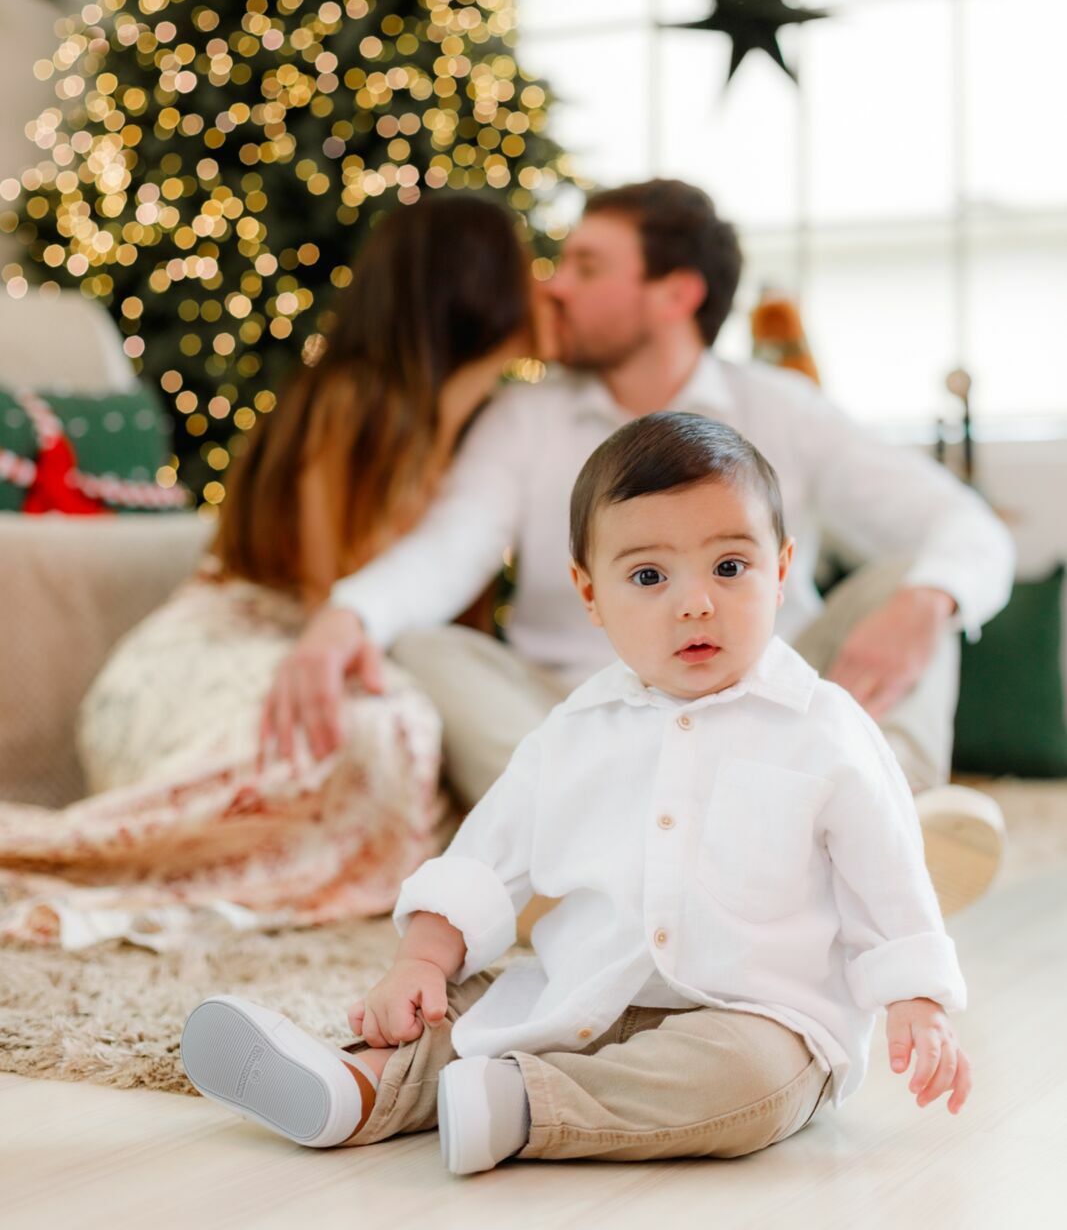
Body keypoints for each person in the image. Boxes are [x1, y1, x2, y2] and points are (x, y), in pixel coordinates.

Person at [181, 414, 971, 1174]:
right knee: (466, 1009)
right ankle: (353, 1086)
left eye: (729, 568)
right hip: (583, 995)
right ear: (589, 595)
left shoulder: (823, 727)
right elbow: (487, 856)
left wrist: (917, 1000)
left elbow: (887, 877)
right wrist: (420, 959)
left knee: (750, 1082)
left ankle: (526, 1104)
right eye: (648, 577)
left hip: (758, 1017)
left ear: (782, 569)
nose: (695, 602)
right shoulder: (575, 729)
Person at [260, 179, 1015, 912]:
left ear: (674, 294)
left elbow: (966, 527)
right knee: (427, 648)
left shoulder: (783, 409)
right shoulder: (523, 417)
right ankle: (602, 864)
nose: (553, 287)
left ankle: (889, 831)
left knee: (920, 585)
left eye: (586, 267)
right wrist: (348, 616)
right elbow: (449, 546)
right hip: (584, 723)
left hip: (767, 712)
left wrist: (926, 601)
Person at [0, 193, 539, 948]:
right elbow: (330, 596)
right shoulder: (350, 402)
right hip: (220, 654)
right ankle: (62, 854)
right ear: (481, 287)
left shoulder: (489, 431)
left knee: (409, 742)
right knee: (386, 728)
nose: (546, 288)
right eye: (528, 270)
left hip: (315, 659)